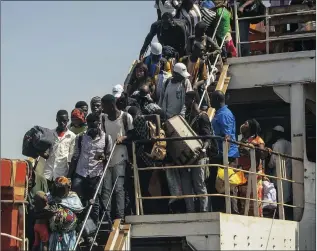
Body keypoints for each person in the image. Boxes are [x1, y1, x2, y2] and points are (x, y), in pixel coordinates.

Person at [70, 113, 113, 226]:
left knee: (94, 202)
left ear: (99, 124)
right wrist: (69, 175)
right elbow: (75, 156)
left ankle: (93, 228)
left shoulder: (107, 138)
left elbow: (109, 157)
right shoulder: (80, 137)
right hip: (81, 173)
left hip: (96, 174)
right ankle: (78, 225)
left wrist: (104, 157)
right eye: (89, 126)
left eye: (94, 126)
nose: (92, 129)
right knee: (76, 200)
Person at [100, 94, 134, 221]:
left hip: (121, 156)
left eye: (104, 106)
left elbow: (132, 134)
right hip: (108, 158)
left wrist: (123, 138)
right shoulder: (103, 119)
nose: (103, 109)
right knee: (106, 189)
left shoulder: (126, 117)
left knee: (119, 188)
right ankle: (106, 217)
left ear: (112, 105)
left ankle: (120, 216)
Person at [181, 91, 213, 212]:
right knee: (186, 185)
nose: (185, 103)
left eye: (187, 100)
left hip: (200, 156)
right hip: (188, 157)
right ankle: (190, 210)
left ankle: (204, 210)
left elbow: (208, 136)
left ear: (193, 100)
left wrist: (203, 149)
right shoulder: (188, 117)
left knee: (199, 184)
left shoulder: (202, 116)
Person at [209, 90, 239, 213]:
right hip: (220, 154)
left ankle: (232, 211)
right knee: (217, 184)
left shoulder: (224, 114)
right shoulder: (219, 113)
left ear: (217, 100)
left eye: (211, 98)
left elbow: (227, 136)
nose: (209, 101)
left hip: (227, 156)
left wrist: (224, 157)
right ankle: (220, 209)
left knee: (227, 185)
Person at [238, 119, 267, 217]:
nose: (243, 125)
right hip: (243, 171)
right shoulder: (243, 139)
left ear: (251, 127)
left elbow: (262, 155)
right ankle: (245, 215)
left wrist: (252, 149)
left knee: (255, 196)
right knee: (244, 197)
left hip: (254, 172)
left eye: (246, 123)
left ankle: (257, 216)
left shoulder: (258, 140)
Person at [48, 177, 86, 251]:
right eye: (57, 188)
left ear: (67, 188)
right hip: (55, 233)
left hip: (69, 233)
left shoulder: (73, 196)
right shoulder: (50, 197)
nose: (59, 190)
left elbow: (79, 210)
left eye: (62, 188)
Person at [43, 110, 76, 191]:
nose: (62, 123)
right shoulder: (50, 134)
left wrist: (69, 176)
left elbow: (71, 158)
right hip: (48, 173)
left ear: (68, 121)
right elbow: (45, 152)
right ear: (56, 120)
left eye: (64, 121)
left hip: (62, 174)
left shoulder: (72, 136)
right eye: (60, 120)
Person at [268, 125, 292, 220]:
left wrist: (268, 165)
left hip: (279, 173)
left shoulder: (278, 144)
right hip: (289, 173)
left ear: (277, 134)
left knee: (279, 196)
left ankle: (279, 216)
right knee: (287, 196)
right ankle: (286, 215)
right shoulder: (290, 144)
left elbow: (273, 161)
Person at [180, 42, 210, 110]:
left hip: (194, 88)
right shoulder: (184, 60)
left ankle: (200, 107)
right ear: (194, 50)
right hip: (183, 86)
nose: (202, 52)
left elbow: (204, 79)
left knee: (201, 105)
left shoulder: (201, 63)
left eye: (203, 50)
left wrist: (196, 84)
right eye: (201, 50)